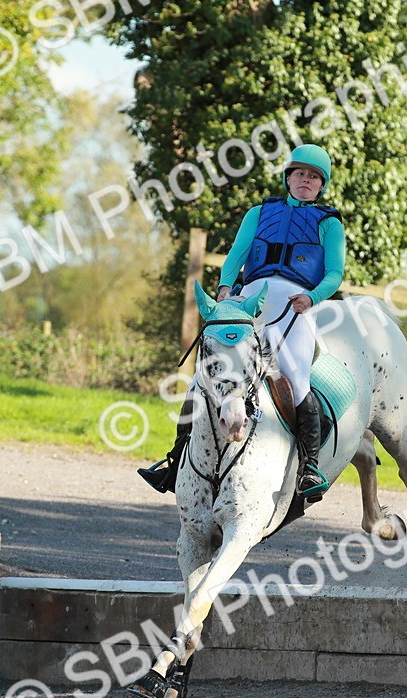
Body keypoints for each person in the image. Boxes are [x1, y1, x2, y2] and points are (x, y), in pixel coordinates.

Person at [139, 143, 346, 502]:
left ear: (321, 185)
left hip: (296, 304)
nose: (306, 181)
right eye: (300, 174)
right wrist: (223, 288)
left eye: (314, 177)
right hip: (249, 302)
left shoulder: (329, 223)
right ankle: (175, 461)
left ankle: (309, 467)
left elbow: (334, 273)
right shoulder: (259, 212)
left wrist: (311, 297)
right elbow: (236, 255)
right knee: (204, 376)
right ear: (288, 177)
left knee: (295, 378)